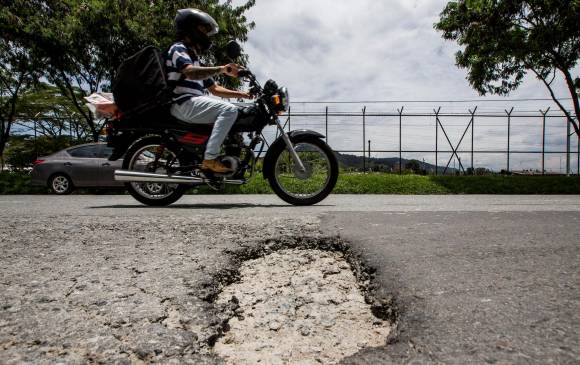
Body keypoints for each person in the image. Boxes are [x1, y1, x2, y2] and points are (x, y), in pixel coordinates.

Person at [167, 8, 252, 173]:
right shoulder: (178, 49)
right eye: (203, 30)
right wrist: (222, 69)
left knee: (235, 112)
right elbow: (190, 72)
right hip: (182, 103)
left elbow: (215, 89)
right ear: (190, 28)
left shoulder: (195, 59)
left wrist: (244, 94)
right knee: (228, 110)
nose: (206, 35)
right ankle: (210, 159)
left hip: (191, 103)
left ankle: (218, 156)